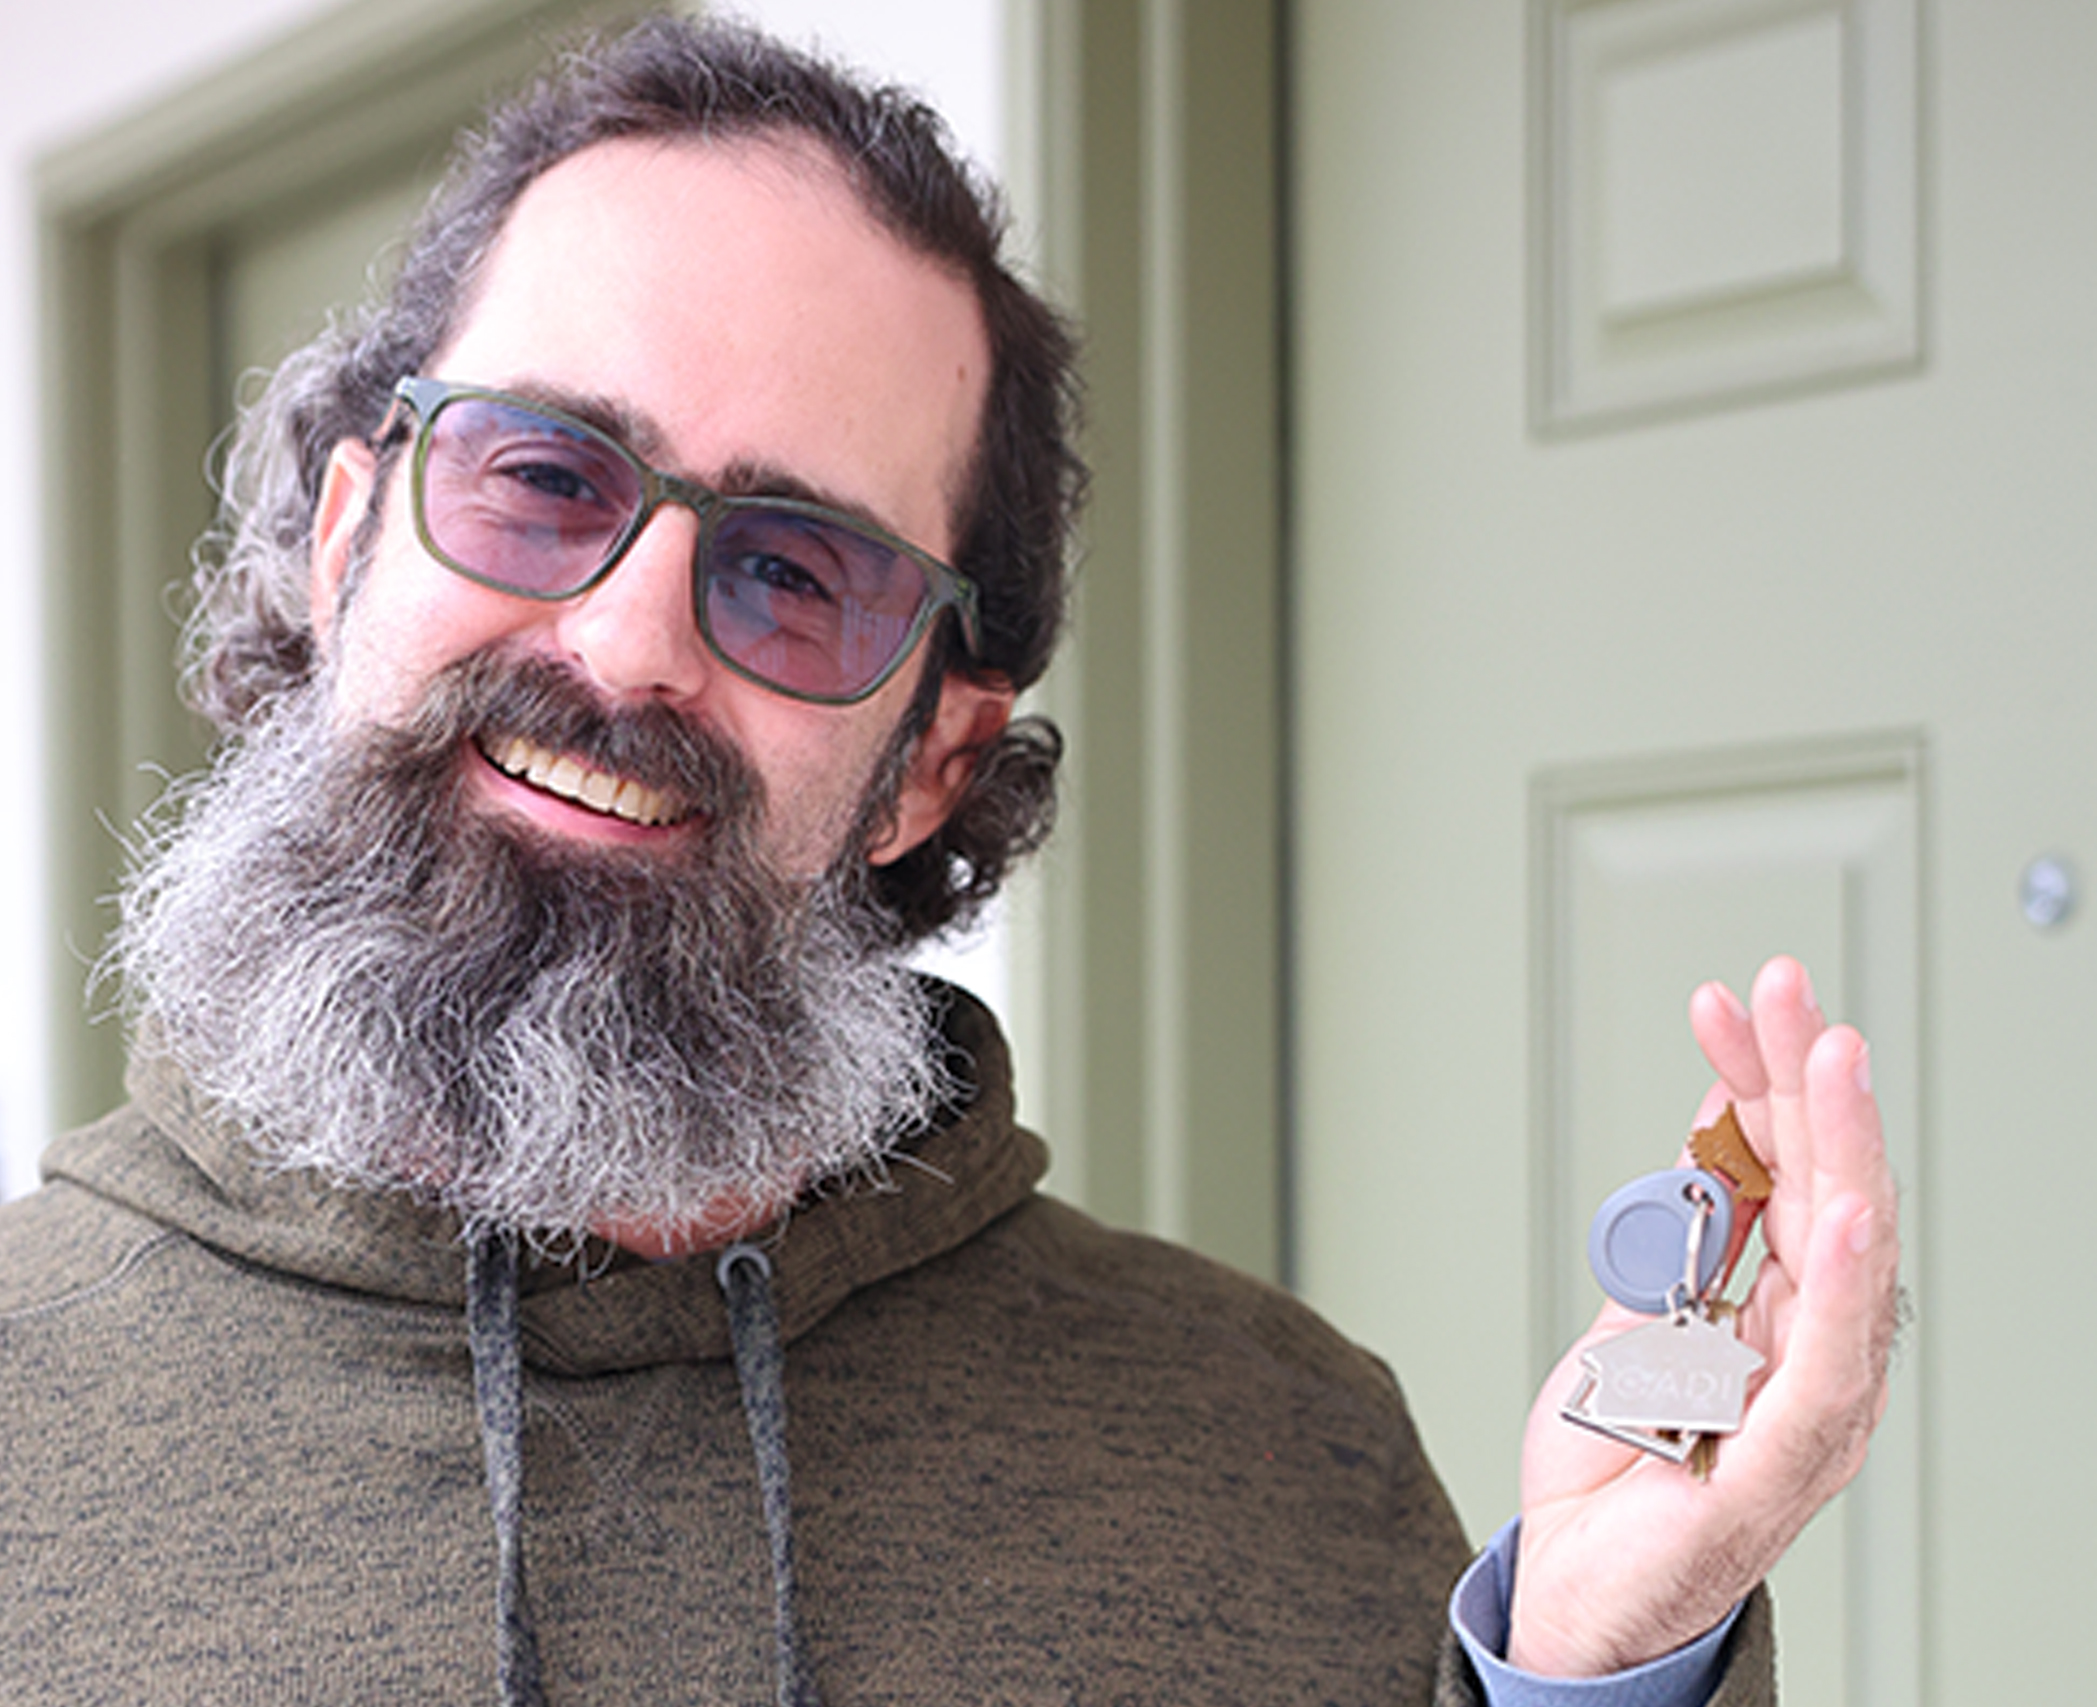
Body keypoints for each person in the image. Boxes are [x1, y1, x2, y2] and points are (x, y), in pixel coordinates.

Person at [0, 17, 1899, 1704]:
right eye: (545, 478)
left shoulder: (1279, 1441)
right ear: (347, 553)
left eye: (793, 573)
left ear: (930, 766)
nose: (626, 638)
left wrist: (1593, 1682)